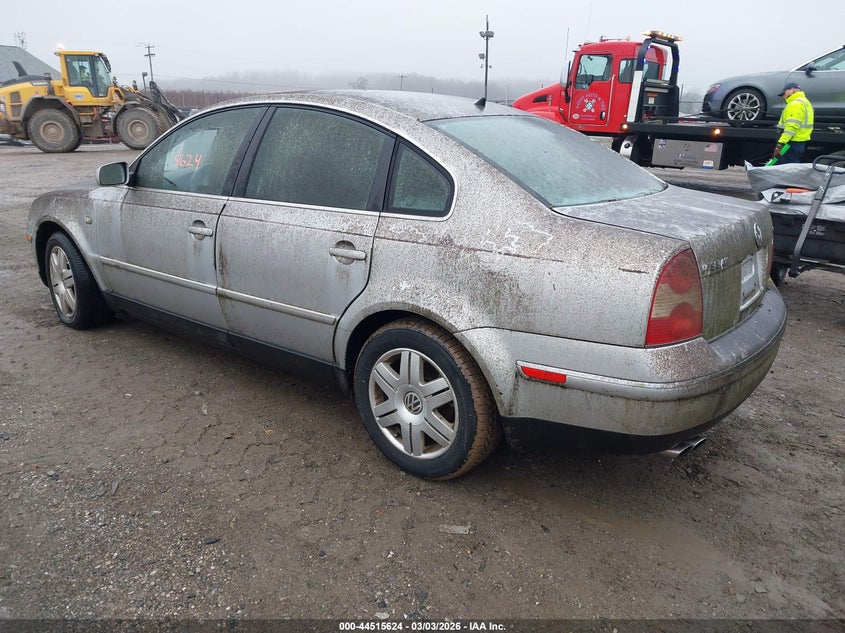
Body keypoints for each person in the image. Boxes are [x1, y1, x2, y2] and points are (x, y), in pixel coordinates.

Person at [773, 82, 814, 164]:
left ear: (791, 90)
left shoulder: (795, 104)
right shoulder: (805, 102)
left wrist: (780, 144)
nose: (783, 97)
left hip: (791, 142)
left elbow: (791, 127)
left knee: (784, 169)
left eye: (784, 93)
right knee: (792, 168)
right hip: (799, 141)